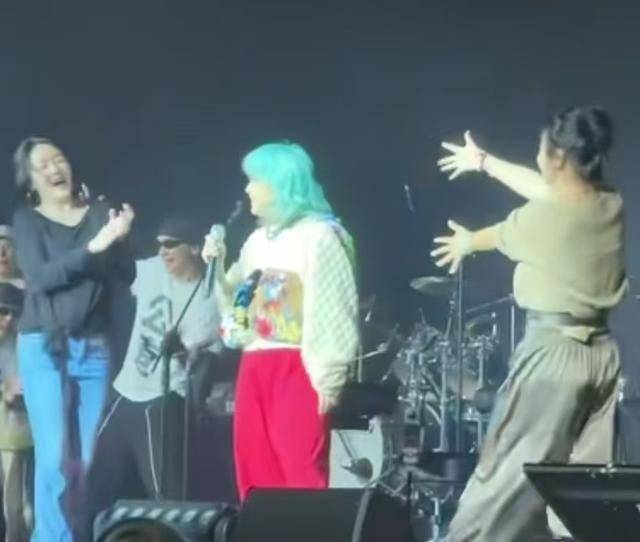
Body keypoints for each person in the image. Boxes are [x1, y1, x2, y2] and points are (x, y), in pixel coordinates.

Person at [432, 106, 626, 541]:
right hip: (601, 358)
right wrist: (485, 162)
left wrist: (466, 242)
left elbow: (499, 233)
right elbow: (544, 189)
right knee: (579, 491)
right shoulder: (609, 204)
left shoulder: (545, 219)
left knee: (503, 477)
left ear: (557, 158)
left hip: (553, 357)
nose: (537, 158)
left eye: (541, 151)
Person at [202, 141, 359, 500]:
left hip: (297, 367)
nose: (247, 189)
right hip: (255, 365)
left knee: (299, 472)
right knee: (254, 471)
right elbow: (238, 303)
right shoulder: (257, 241)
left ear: (280, 184)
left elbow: (335, 306)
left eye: (255, 180)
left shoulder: (319, 236)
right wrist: (219, 266)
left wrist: (328, 379)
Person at [11, 137, 135, 542]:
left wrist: (121, 237)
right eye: (43, 164)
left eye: (59, 159)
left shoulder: (98, 213)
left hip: (93, 348)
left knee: (84, 462)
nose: (54, 168)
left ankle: (73, 535)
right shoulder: (28, 220)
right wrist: (96, 246)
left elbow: (126, 275)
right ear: (30, 180)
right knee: (54, 459)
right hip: (44, 346)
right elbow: (40, 278)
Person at [82, 217, 223, 537]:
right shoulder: (152, 270)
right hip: (125, 393)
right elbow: (118, 266)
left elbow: (206, 359)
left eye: (170, 244)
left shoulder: (210, 297)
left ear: (195, 248)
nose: (162, 251)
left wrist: (181, 350)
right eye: (159, 244)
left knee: (165, 497)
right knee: (95, 487)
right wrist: (112, 229)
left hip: (163, 398)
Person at [0, 282, 33, 542]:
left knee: (20, 508)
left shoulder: (22, 345)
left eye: (15, 312)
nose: (9, 318)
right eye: (3, 311)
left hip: (17, 437)